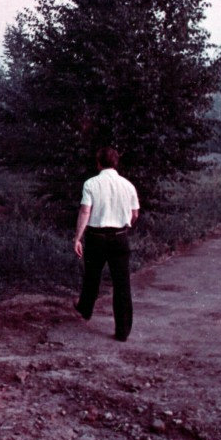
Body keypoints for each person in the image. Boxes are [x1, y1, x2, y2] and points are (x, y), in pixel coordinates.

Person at [73, 146, 140, 342]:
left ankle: (85, 309)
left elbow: (85, 211)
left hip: (96, 237)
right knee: (122, 284)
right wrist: (124, 226)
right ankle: (123, 331)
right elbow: (135, 214)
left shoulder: (91, 184)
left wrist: (77, 237)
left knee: (92, 277)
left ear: (98, 163)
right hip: (120, 237)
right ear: (116, 162)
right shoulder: (128, 185)